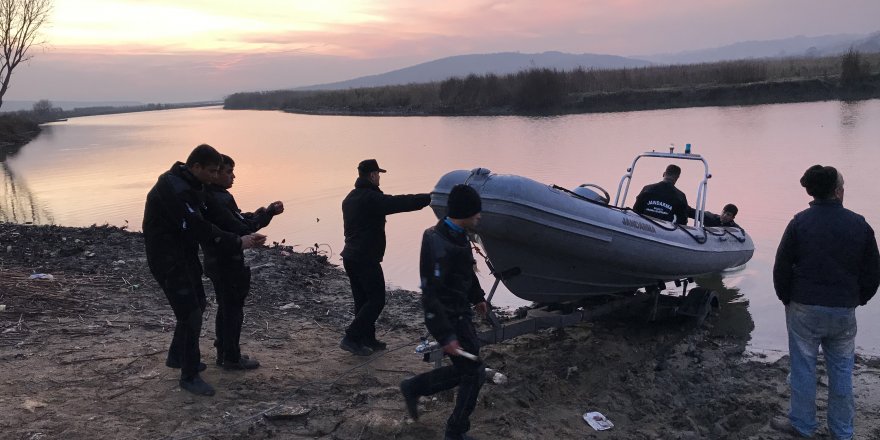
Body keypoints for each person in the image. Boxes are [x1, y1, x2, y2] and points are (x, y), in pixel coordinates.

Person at [143, 144, 263, 396]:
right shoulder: (172, 189)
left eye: (218, 171)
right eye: (211, 171)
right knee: (191, 314)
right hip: (166, 258)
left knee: (198, 303)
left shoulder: (196, 184)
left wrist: (244, 231)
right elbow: (198, 227)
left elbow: (217, 214)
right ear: (195, 166)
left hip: (185, 255)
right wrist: (236, 241)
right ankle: (189, 375)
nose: (214, 176)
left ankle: (177, 356)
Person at [772, 165, 879, 439]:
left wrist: (787, 298)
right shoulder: (859, 224)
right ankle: (842, 432)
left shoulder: (799, 222)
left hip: (804, 307)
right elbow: (872, 271)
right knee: (842, 372)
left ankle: (803, 425)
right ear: (837, 191)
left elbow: (781, 266)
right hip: (843, 308)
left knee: (803, 368)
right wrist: (859, 299)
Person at [400, 184, 489, 440]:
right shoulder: (436, 242)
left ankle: (414, 387)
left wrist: (478, 297)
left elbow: (467, 271)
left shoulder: (460, 234)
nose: (480, 216)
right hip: (447, 318)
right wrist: (446, 336)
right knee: (475, 371)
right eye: (476, 212)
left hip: (461, 312)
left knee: (469, 369)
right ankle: (455, 431)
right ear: (465, 212)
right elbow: (430, 295)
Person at [339, 159, 431, 356]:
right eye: (378, 174)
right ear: (372, 175)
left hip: (350, 256)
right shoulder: (370, 198)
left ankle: (367, 339)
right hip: (365, 257)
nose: (379, 177)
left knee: (362, 300)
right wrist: (428, 199)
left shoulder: (350, 198)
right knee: (377, 299)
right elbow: (399, 203)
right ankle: (352, 337)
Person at [203, 154, 283, 370]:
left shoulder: (213, 196)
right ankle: (231, 357)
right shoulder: (217, 199)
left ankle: (224, 351)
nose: (233, 176)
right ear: (215, 172)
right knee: (232, 309)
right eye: (228, 171)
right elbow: (241, 227)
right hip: (226, 262)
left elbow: (238, 219)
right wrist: (267, 215)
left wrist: (266, 213)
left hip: (216, 261)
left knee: (226, 307)